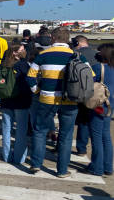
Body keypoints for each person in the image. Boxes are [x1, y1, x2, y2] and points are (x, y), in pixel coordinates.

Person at [26, 27, 90, 177]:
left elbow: (30, 77)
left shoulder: (43, 55)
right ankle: (62, 170)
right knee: (66, 135)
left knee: (40, 131)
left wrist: (37, 91)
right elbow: (90, 77)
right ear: (67, 39)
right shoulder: (77, 55)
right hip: (70, 100)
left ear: (52, 39)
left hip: (47, 99)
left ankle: (36, 164)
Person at [0, 44, 32, 163]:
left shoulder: (4, 65)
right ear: (14, 53)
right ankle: (19, 158)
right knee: (21, 131)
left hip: (6, 101)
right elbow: (29, 82)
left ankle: (6, 156)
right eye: (22, 50)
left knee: (6, 129)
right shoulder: (23, 65)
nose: (24, 51)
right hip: (21, 101)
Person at [83, 43, 113, 176]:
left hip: (98, 104)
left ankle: (97, 167)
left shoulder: (97, 67)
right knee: (106, 136)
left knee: (96, 136)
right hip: (110, 105)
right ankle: (108, 166)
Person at [72, 35, 99, 156]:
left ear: (77, 42)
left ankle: (63, 146)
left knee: (69, 119)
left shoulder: (75, 53)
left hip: (76, 90)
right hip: (94, 91)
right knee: (86, 122)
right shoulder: (96, 54)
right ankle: (82, 148)